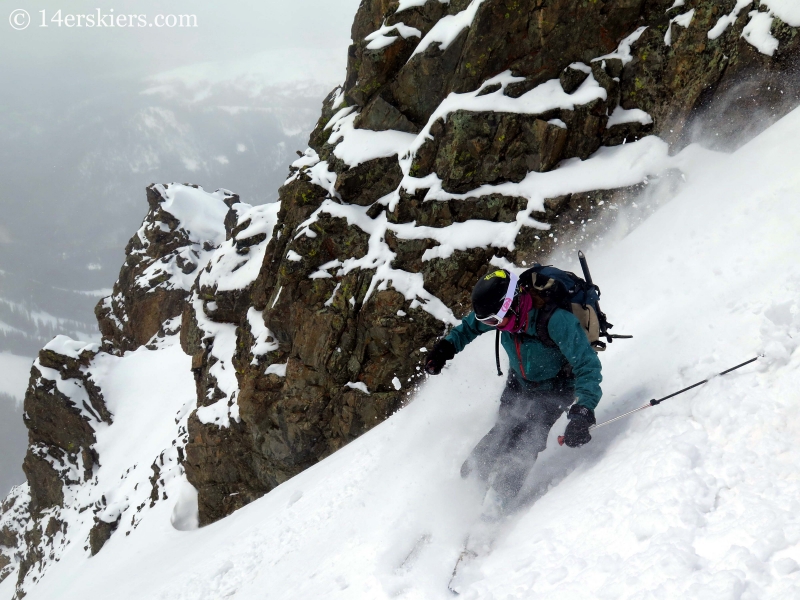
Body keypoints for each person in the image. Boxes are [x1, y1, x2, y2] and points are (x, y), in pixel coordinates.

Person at [425, 268, 602, 511]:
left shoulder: (556, 321)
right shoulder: (502, 316)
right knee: (502, 431)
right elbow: (469, 327)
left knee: (527, 441)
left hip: (556, 386)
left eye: (495, 321)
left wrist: (583, 411)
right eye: (488, 322)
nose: (494, 326)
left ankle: (496, 505)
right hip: (519, 382)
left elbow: (587, 366)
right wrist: (445, 349)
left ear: (514, 304)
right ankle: (466, 491)